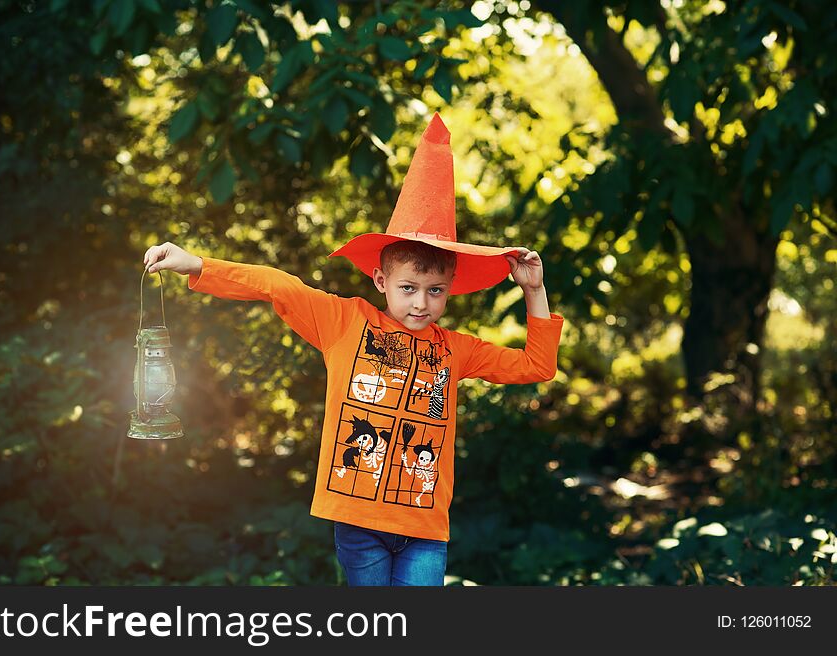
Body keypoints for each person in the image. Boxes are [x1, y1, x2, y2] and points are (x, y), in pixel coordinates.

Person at [142, 113, 564, 586]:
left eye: (435, 291)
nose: (421, 303)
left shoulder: (455, 350)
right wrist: (195, 263)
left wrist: (534, 292)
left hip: (424, 527)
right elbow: (277, 286)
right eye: (408, 288)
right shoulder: (344, 322)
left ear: (450, 289)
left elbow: (537, 366)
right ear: (381, 280)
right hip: (357, 519)